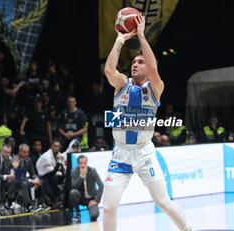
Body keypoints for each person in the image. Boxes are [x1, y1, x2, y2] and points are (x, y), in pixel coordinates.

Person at [103, 13, 192, 231]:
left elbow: (153, 70)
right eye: (134, 61)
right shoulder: (122, 83)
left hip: (144, 154)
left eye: (140, 62)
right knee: (108, 208)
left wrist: (141, 36)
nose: (135, 64)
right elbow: (108, 70)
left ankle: (188, 230)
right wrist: (120, 39)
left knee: (163, 202)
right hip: (121, 153)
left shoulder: (154, 89)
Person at [7, 144, 42, 213]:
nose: (26, 154)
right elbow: (18, 177)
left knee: (41, 181)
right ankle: (28, 206)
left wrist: (36, 179)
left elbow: (32, 173)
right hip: (12, 183)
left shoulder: (28, 159)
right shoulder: (15, 159)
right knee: (25, 183)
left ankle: (40, 203)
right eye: (24, 152)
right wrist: (31, 180)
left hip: (23, 181)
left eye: (27, 152)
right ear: (19, 151)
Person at [70, 155, 104, 222]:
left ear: (87, 163)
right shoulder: (74, 171)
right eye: (81, 163)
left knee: (94, 216)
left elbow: (101, 185)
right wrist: (81, 177)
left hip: (91, 198)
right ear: (78, 163)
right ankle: (77, 213)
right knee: (73, 192)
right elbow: (73, 186)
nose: (83, 165)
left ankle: (92, 209)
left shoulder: (92, 170)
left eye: (84, 163)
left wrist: (96, 200)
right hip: (80, 197)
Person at [36, 140, 65, 207]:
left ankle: (62, 198)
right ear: (51, 147)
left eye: (58, 146)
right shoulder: (47, 156)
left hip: (52, 174)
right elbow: (52, 172)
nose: (57, 148)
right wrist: (59, 163)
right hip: (43, 175)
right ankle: (53, 200)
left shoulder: (58, 154)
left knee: (65, 177)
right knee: (54, 179)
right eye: (55, 146)